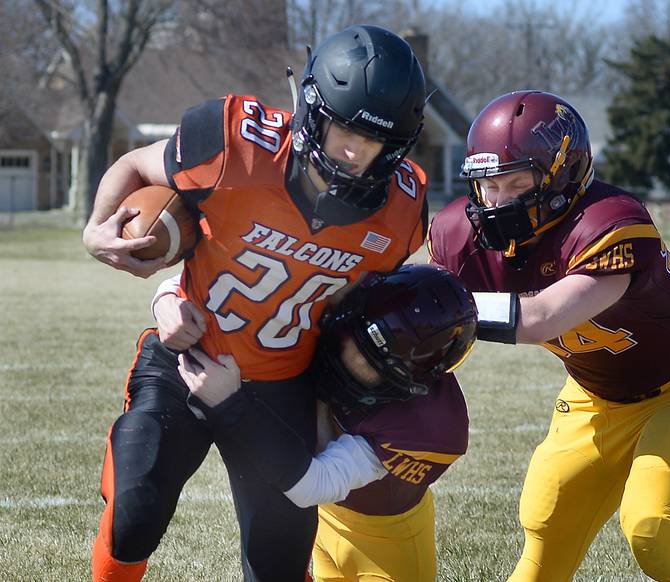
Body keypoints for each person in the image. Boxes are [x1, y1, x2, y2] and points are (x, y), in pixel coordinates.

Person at [83, 25, 429, 582]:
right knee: (134, 512)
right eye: (344, 128)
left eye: (374, 141)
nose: (353, 151)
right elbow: (137, 165)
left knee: (278, 564)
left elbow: (349, 313)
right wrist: (98, 231)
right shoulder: (233, 142)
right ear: (314, 109)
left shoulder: (402, 213)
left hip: (280, 386)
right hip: (187, 361)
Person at [427, 90, 670, 582]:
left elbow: (543, 317)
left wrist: (441, 309)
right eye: (488, 185)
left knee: (650, 527)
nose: (497, 202)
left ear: (562, 175)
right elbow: (431, 332)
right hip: (594, 397)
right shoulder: (458, 236)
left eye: (515, 182)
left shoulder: (608, 221)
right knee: (544, 529)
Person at [154, 263, 478, 582]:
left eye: (375, 364)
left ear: (413, 378)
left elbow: (315, 485)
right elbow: (219, 278)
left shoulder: (429, 426)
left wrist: (230, 405)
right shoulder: (337, 292)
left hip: (385, 540)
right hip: (323, 524)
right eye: (352, 339)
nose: (349, 360)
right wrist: (167, 298)